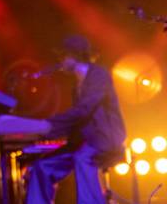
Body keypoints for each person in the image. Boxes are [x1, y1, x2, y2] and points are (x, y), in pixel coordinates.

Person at [25, 34, 126, 204]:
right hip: (85, 140)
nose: (61, 60)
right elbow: (76, 121)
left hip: (105, 137)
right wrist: (44, 133)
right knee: (42, 167)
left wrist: (48, 125)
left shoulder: (98, 75)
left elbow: (84, 110)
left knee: (82, 157)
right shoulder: (76, 86)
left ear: (75, 55)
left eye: (63, 56)